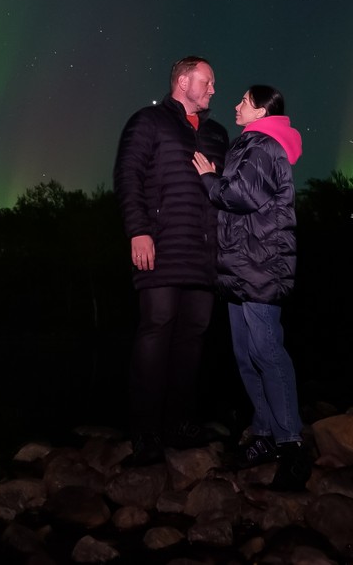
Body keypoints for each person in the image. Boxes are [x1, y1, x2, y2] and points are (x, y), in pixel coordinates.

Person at [192, 84, 311, 491]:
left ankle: (292, 445)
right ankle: (263, 435)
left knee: (266, 352)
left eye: (243, 100)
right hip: (241, 267)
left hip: (261, 266)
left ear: (261, 111)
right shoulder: (251, 143)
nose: (235, 104)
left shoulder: (264, 146)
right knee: (246, 355)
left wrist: (208, 177)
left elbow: (241, 195)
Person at [113, 56, 231, 465]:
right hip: (161, 246)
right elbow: (127, 176)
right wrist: (138, 230)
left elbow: (226, 191)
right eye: (208, 80)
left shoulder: (217, 133)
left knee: (193, 337)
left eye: (213, 83)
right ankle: (145, 433)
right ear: (183, 80)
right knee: (156, 329)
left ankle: (181, 423)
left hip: (204, 254)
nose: (214, 89)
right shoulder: (148, 122)